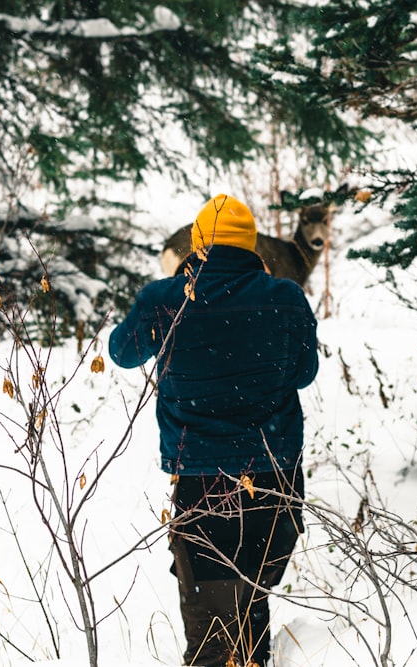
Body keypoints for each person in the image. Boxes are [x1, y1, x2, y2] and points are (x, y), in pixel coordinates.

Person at [109, 194, 319, 667]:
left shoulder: (165, 298)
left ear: (197, 244)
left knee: (211, 606)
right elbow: (305, 372)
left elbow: (121, 352)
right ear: (251, 247)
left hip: (204, 477)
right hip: (275, 473)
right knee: (251, 593)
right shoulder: (285, 297)